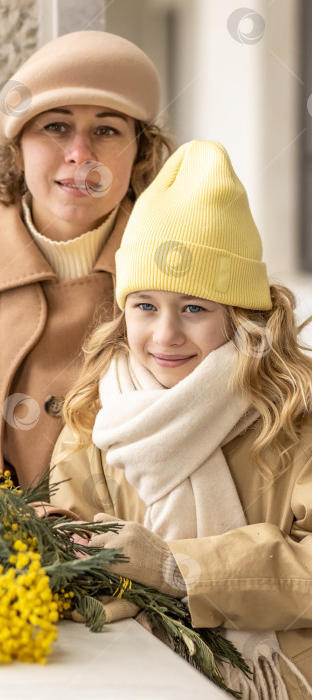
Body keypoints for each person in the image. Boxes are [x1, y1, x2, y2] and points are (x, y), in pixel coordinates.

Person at [49, 140, 312, 698]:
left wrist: (173, 568)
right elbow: (73, 556)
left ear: (240, 315)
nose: (165, 335)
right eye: (145, 305)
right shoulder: (96, 413)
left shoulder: (294, 413)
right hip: (134, 679)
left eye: (194, 307)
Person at [0, 30, 173, 488]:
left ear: (140, 152)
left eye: (106, 130)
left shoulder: (187, 280)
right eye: (56, 127)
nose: (80, 156)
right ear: (18, 148)